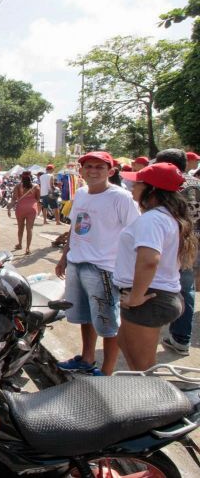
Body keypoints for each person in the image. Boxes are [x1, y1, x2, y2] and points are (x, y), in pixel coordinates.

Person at [55, 151, 140, 376]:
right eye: (88, 166)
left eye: (99, 167)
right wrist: (64, 257)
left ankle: (107, 372)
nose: (93, 171)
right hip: (77, 263)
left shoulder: (120, 197)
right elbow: (74, 228)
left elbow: (136, 234)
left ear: (110, 171)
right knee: (85, 316)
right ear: (80, 171)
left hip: (103, 269)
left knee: (108, 323)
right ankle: (87, 358)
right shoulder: (81, 193)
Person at [114, 163, 197, 370]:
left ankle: (148, 402)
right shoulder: (165, 217)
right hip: (155, 296)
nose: (132, 186)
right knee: (125, 345)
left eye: (138, 183)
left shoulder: (153, 220)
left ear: (152, 189)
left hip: (149, 299)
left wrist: (135, 296)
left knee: (142, 369)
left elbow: (149, 260)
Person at [155, 149, 200, 356]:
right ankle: (182, 338)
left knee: (160, 286)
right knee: (186, 289)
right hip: (194, 244)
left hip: (173, 244)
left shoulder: (168, 184)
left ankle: (147, 333)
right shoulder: (197, 183)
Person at [7, 171, 39, 255]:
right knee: (30, 229)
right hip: (32, 209)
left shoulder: (18, 186)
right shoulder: (36, 187)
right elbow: (38, 199)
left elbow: (14, 199)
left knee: (20, 227)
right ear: (31, 177)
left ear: (21, 178)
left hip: (20, 208)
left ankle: (20, 244)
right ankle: (28, 248)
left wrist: (9, 208)